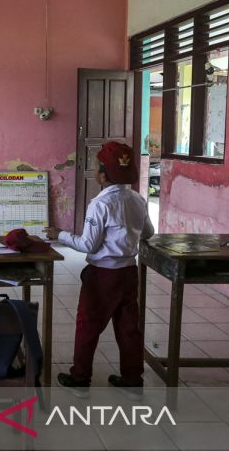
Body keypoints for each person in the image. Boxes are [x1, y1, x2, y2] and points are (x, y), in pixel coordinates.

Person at [43, 141, 154, 400]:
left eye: (96, 166)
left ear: (103, 175)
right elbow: (148, 233)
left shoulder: (100, 204)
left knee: (88, 326)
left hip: (103, 276)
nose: (94, 170)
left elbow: (87, 244)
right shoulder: (137, 200)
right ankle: (132, 380)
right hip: (129, 272)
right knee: (129, 329)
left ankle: (80, 378)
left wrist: (60, 235)